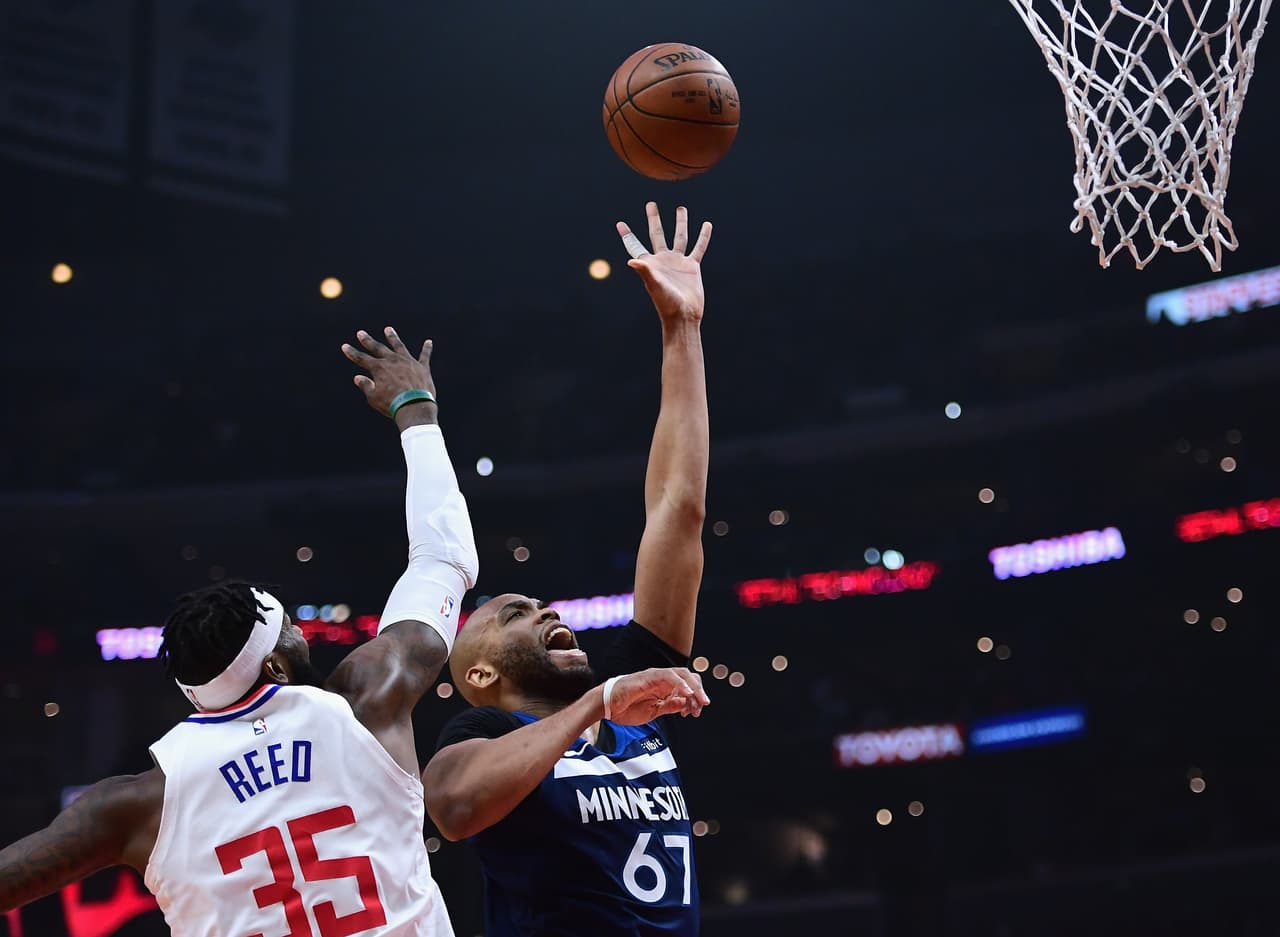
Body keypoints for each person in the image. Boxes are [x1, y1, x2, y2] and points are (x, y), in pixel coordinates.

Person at [0, 328, 476, 937]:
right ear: (275, 666)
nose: (303, 634)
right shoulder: (367, 700)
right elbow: (444, 559)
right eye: (291, 631)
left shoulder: (139, 801)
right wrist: (418, 414)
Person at [423, 202, 715, 937]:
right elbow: (454, 808)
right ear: (481, 671)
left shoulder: (627, 684)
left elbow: (676, 510)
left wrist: (682, 329)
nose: (546, 609)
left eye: (537, 603)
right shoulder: (482, 724)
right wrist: (599, 703)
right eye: (513, 613)